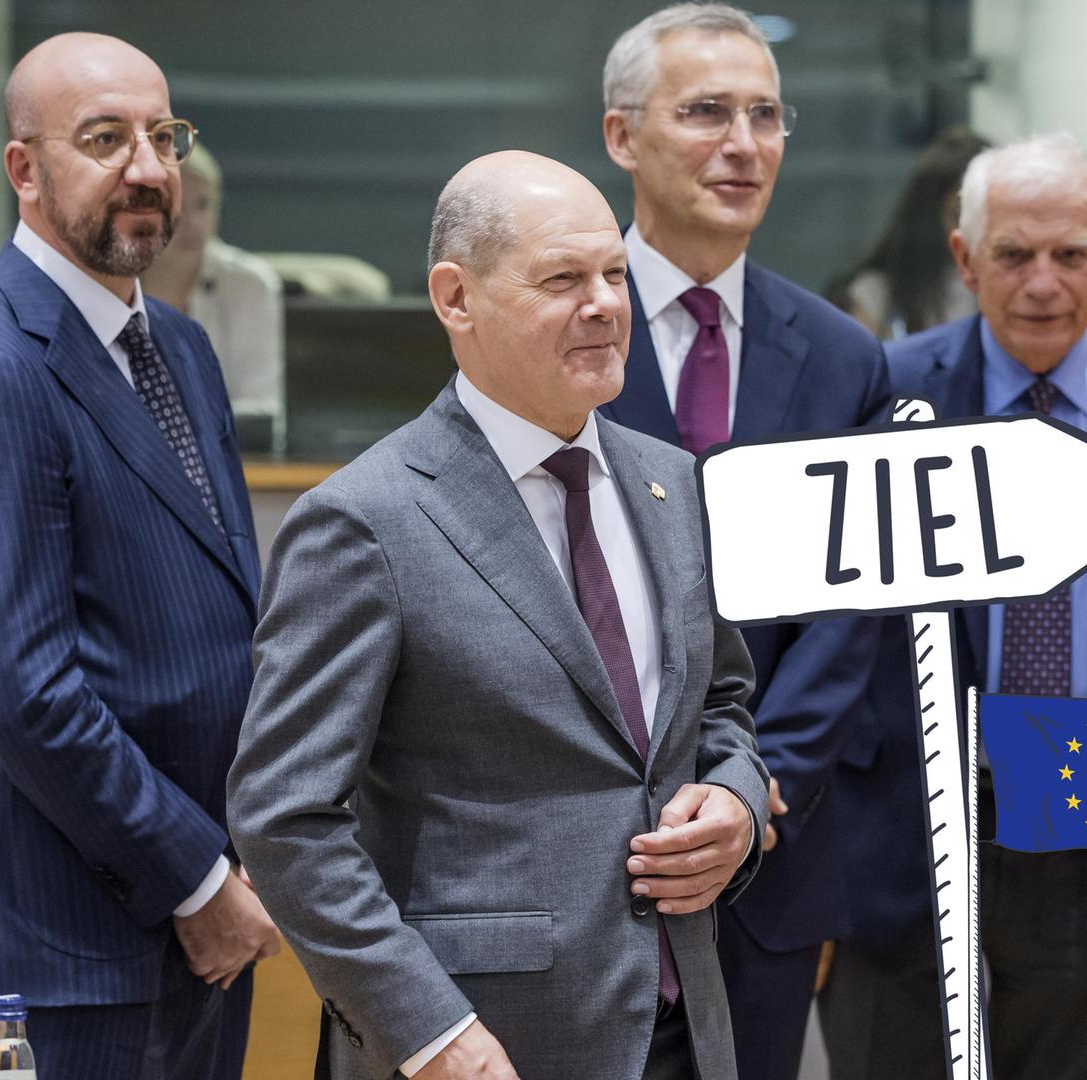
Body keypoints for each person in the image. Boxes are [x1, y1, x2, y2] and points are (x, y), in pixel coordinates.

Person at [228, 151, 768, 1080]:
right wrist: (426, 1030)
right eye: (562, 278)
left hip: (685, 1027)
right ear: (455, 298)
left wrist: (739, 803)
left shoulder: (674, 483)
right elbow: (285, 817)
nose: (603, 303)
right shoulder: (366, 520)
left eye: (612, 274)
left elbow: (720, 706)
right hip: (480, 1044)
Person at [0, 32, 277, 1080]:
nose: (149, 168)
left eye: (164, 136)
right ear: (25, 170)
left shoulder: (181, 348)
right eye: (105, 139)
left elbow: (218, 622)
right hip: (66, 948)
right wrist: (194, 880)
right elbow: (24, 691)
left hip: (201, 927)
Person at [820, 132, 1087, 1080]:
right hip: (910, 835)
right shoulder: (883, 393)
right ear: (966, 259)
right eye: (1013, 254)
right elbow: (824, 633)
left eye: (1071, 255)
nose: (1043, 282)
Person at [599, 7, 890, 1078]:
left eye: (766, 115)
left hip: (767, 852)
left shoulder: (843, 357)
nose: (744, 143)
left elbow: (850, 612)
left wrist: (751, 787)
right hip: (579, 856)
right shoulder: (552, 328)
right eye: (707, 112)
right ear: (624, 137)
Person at [141, 143, 286, 451]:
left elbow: (262, 409)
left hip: (229, 458)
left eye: (203, 205)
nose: (191, 222)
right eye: (175, 203)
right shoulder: (115, 277)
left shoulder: (251, 284)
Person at [826, 125, 992, 339]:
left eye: (985, 215)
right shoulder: (877, 294)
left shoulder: (1006, 286)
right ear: (928, 214)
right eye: (958, 213)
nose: (970, 230)